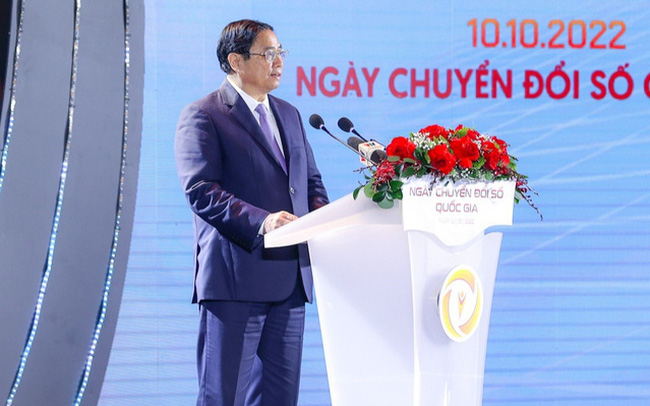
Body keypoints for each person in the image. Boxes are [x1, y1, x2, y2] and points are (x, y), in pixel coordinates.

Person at [174, 19, 329, 406]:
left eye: (281, 53)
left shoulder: (290, 114)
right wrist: (264, 222)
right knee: (222, 397)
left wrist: (322, 220)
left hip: (290, 284)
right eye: (268, 54)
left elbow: (309, 183)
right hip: (234, 283)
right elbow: (201, 191)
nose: (278, 62)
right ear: (236, 61)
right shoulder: (204, 115)